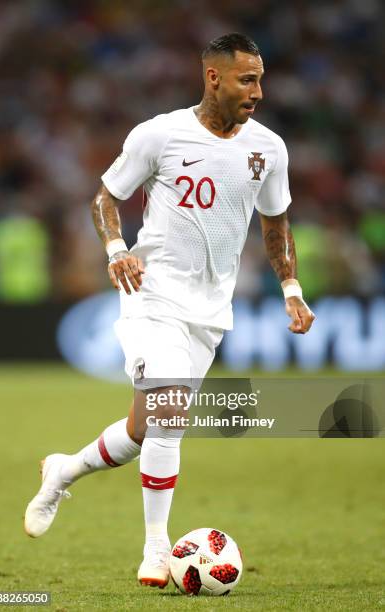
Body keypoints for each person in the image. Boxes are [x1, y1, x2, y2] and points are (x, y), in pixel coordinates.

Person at [24, 32, 315, 588]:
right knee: (172, 411)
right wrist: (115, 252)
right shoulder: (159, 134)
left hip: (210, 311)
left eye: (260, 78)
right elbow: (105, 197)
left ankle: (63, 470)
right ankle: (157, 549)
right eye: (246, 79)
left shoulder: (269, 149)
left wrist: (292, 290)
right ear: (213, 78)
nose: (258, 90)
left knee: (143, 429)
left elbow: (276, 226)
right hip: (150, 293)